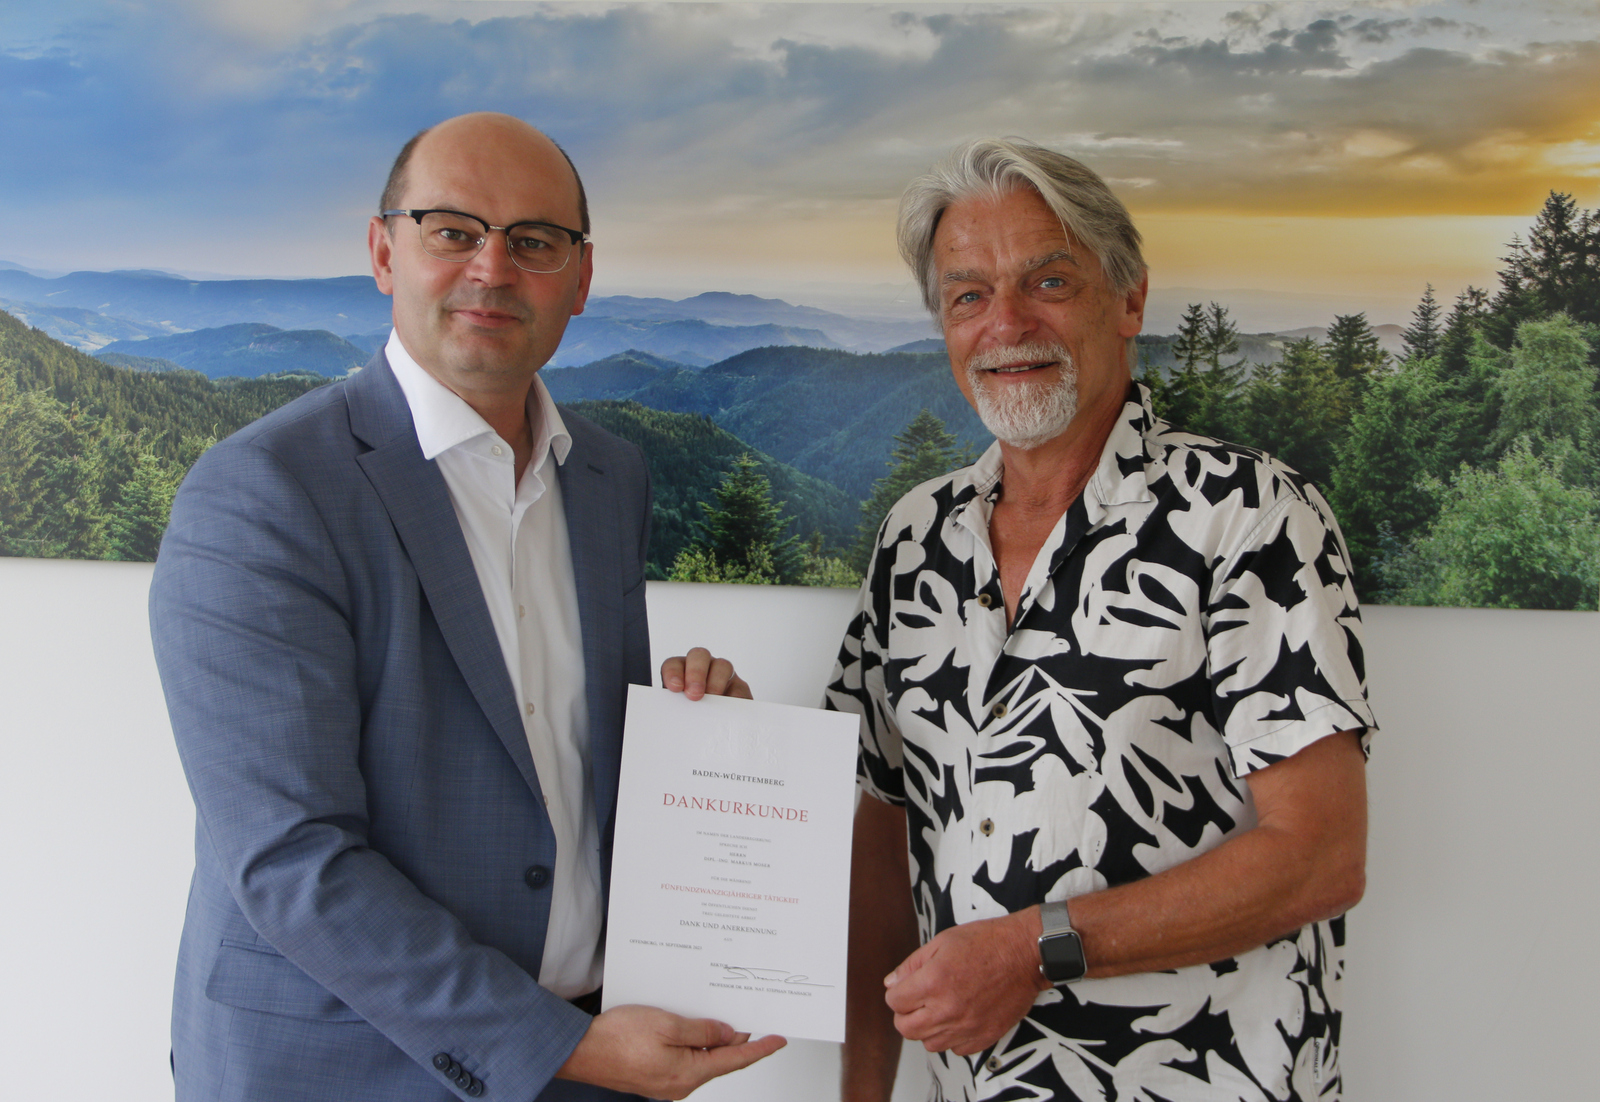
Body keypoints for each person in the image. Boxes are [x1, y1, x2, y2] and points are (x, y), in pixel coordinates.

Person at [150, 112, 780, 1102]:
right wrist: (555, 1046)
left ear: (578, 279)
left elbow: (566, 772)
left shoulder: (609, 476)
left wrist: (698, 750)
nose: (492, 267)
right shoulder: (263, 491)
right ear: (382, 250)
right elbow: (291, 859)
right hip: (342, 1071)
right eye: (452, 230)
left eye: (534, 241)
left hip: (587, 1051)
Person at [827, 138, 1375, 1102]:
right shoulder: (912, 539)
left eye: (1047, 281)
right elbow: (881, 837)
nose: (1005, 324)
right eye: (967, 296)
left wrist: (1034, 950)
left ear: (1129, 301)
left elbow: (1321, 855)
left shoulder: (1247, 515)